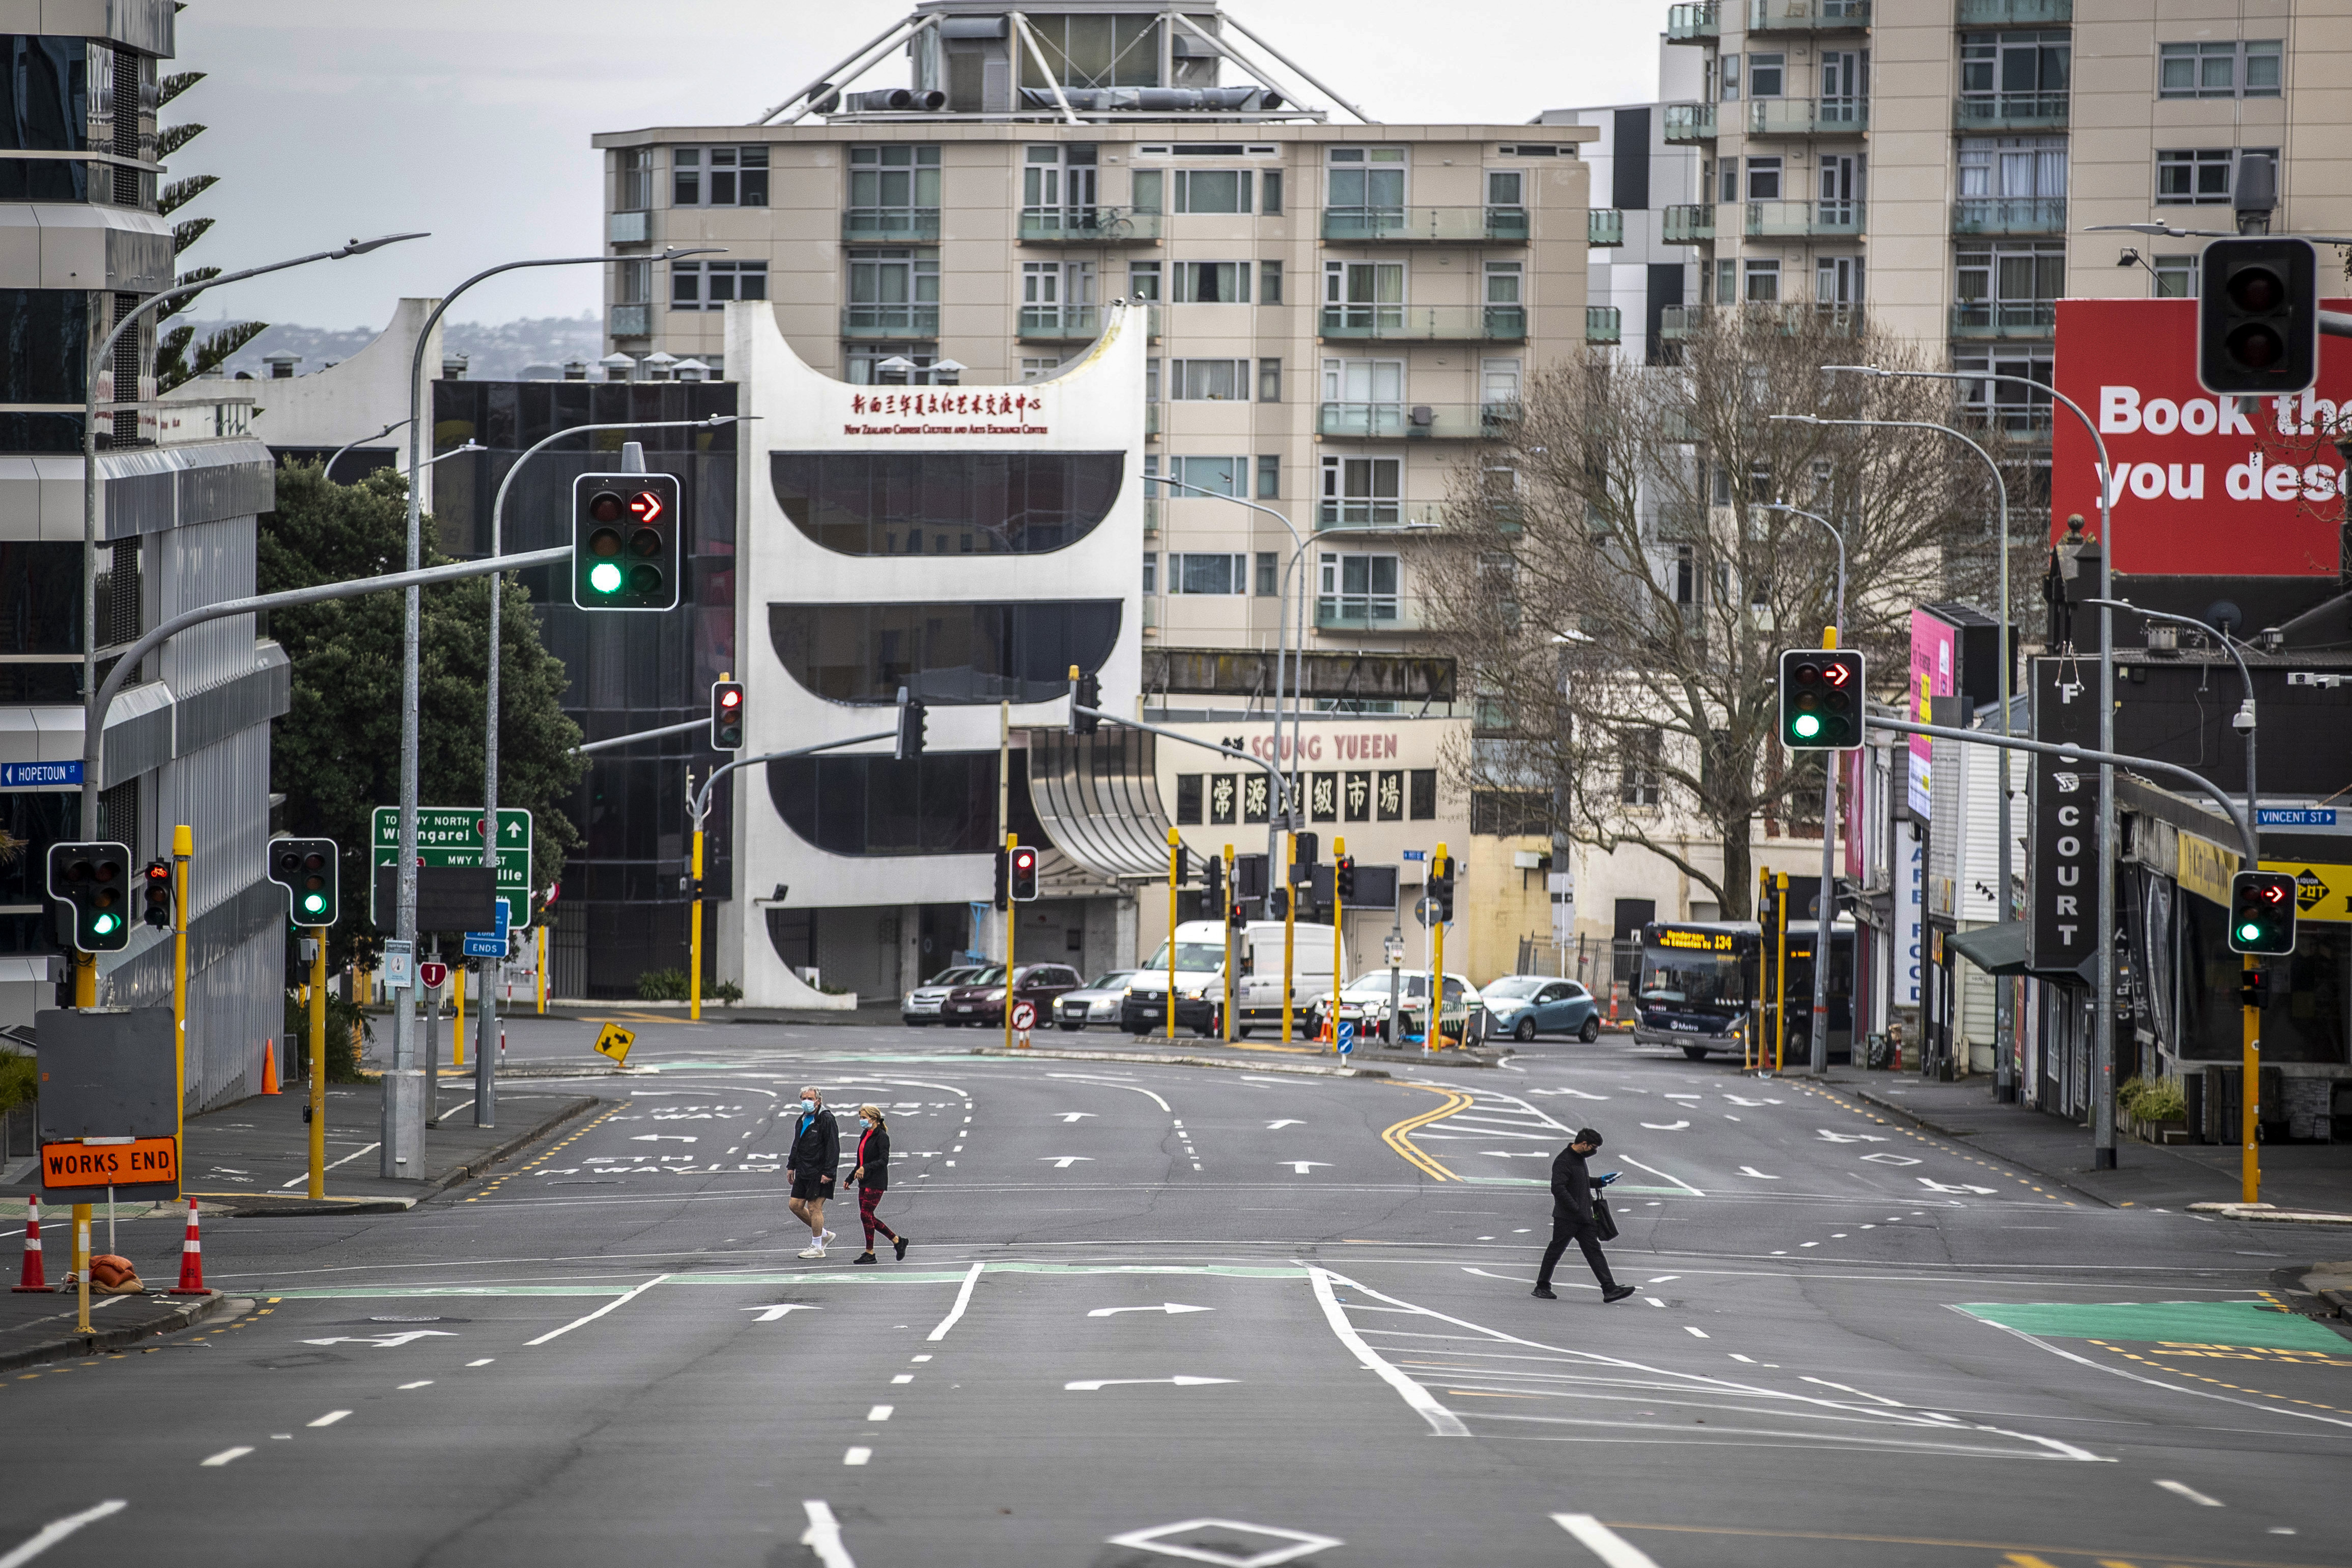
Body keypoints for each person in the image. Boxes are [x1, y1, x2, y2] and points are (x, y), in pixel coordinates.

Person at [1532, 1126, 1636, 1303]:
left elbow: (1581, 1182)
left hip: (1583, 1217)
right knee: (1555, 1251)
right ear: (1583, 1144)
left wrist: (1600, 1182)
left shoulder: (1579, 1159)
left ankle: (1609, 1289)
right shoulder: (1564, 1160)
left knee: (1594, 1252)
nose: (1594, 1152)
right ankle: (1542, 1286)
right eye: (1593, 1147)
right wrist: (1575, 1207)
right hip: (1567, 1217)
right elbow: (1558, 1188)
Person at [849, 1103, 908, 1266]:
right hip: (864, 1181)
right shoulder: (865, 1134)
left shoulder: (882, 1136)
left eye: (864, 1118)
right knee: (868, 1216)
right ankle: (897, 1241)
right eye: (860, 1117)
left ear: (874, 1119)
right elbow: (861, 1161)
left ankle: (870, 1252)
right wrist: (850, 1178)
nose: (861, 1120)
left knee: (865, 1215)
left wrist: (865, 1168)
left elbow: (884, 1160)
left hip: (876, 1181)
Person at [787, 1085, 838, 1259]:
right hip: (803, 1170)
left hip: (820, 1172)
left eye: (810, 1099)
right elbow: (797, 1144)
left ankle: (817, 1247)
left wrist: (829, 1172)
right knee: (795, 1205)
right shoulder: (802, 1120)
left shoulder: (826, 1119)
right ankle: (824, 1234)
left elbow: (833, 1148)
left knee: (815, 1207)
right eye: (804, 1099)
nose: (807, 1102)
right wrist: (791, 1166)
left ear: (819, 1101)